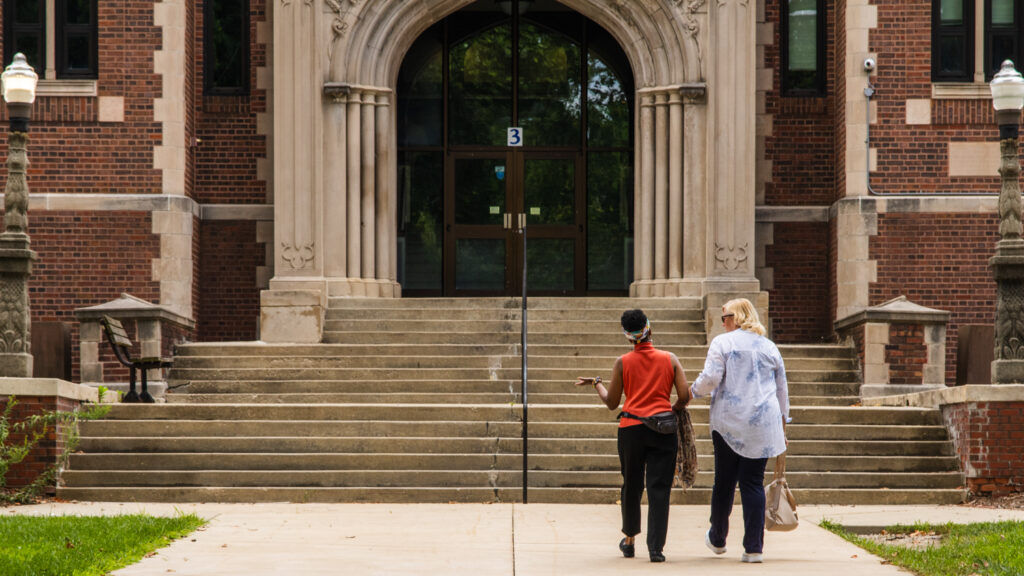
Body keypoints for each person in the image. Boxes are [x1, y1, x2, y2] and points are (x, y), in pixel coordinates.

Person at [576, 309, 690, 563]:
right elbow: (684, 395)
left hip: (632, 430)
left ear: (628, 337)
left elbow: (612, 403)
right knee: (659, 489)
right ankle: (656, 549)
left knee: (632, 485)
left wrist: (597, 383)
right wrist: (672, 410)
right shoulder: (670, 359)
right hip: (664, 430)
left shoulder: (622, 362)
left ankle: (629, 540)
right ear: (650, 329)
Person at [690, 298, 789, 564]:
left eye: (725, 317)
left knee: (724, 482)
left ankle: (718, 539)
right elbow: (781, 389)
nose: (723, 322)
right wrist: (782, 423)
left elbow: (710, 379)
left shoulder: (724, 343)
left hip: (729, 423)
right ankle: (754, 547)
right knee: (752, 483)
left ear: (738, 317)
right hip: (762, 423)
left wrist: (691, 393)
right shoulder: (769, 347)